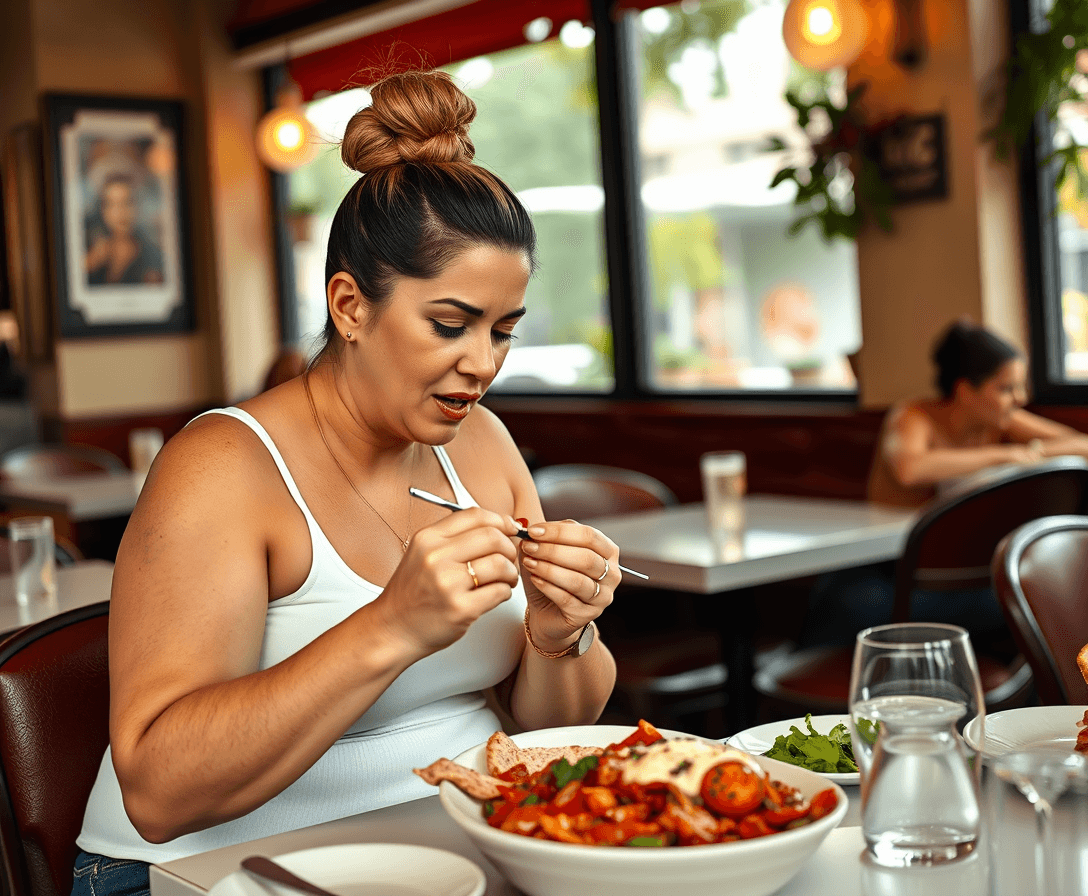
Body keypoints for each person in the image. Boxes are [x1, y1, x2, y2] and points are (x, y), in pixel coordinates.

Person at [71, 69, 618, 896]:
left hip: (447, 851)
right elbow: (157, 790)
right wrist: (391, 626)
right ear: (350, 306)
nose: (483, 364)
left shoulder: (485, 443)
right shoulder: (222, 468)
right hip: (201, 873)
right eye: (449, 324)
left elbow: (551, 726)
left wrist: (559, 631)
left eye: (504, 331)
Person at [803, 319, 1088, 647]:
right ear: (966, 391)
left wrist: (1027, 452)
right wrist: (1006, 456)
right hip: (896, 570)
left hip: (966, 581)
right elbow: (909, 469)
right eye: (1006, 388)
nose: (1019, 398)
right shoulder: (915, 416)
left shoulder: (1001, 419)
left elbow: (1080, 445)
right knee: (842, 595)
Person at [84, 172, 165, 286]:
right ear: (103, 210)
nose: (120, 212)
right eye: (112, 204)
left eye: (127, 202)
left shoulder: (153, 258)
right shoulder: (89, 249)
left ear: (137, 206)